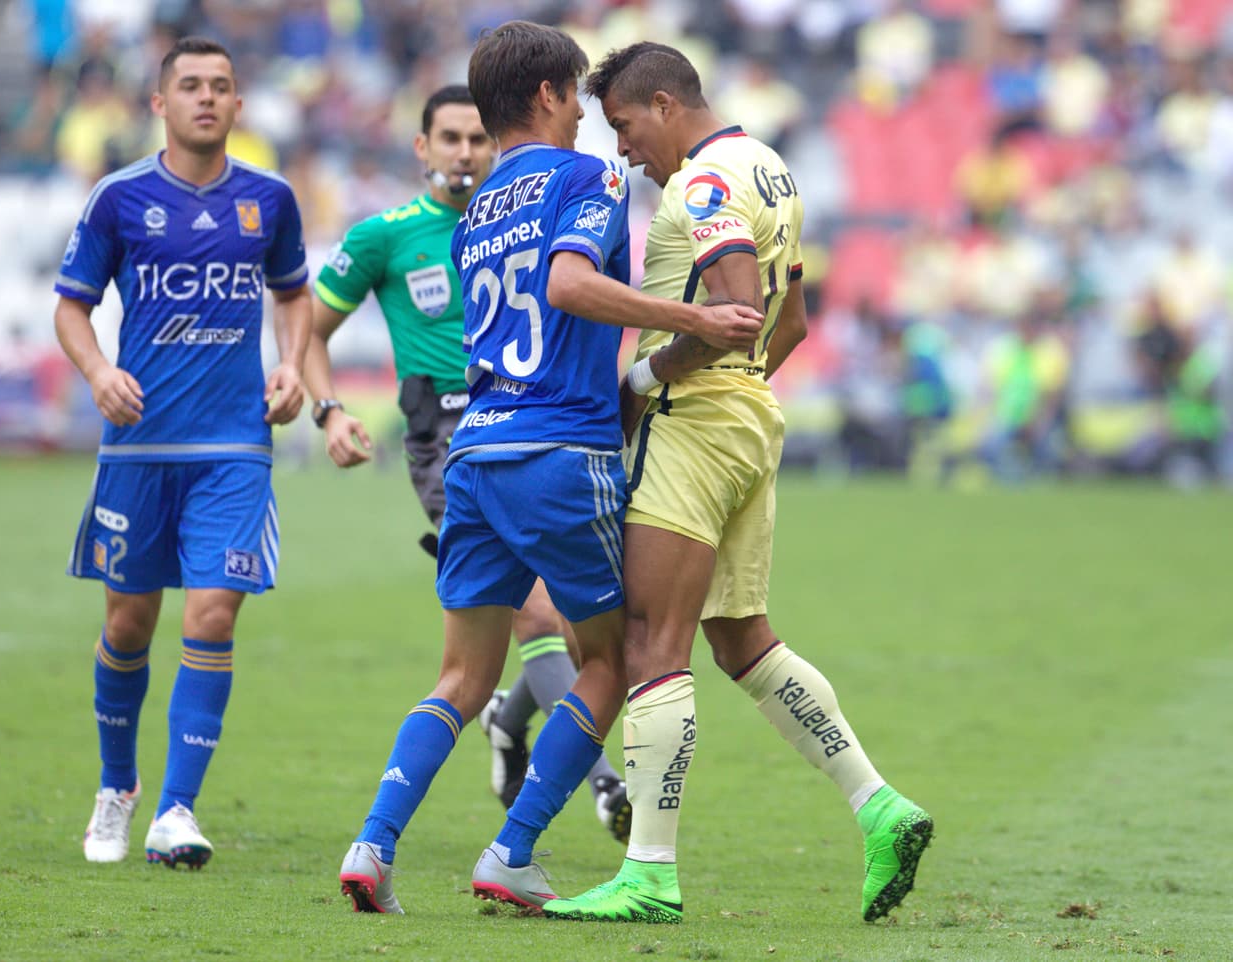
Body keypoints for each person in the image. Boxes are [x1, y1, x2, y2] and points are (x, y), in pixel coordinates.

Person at [334, 20, 763, 915]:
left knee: (461, 677)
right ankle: (510, 852)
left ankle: (372, 846)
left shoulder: (480, 205)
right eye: (577, 98)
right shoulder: (588, 177)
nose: (589, 120)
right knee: (609, 659)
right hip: (560, 450)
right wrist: (691, 320)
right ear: (547, 97)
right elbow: (569, 285)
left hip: (476, 452)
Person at [543, 42, 933, 925]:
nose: (625, 151)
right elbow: (787, 321)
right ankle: (879, 806)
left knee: (652, 641)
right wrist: (742, 386)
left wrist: (642, 384)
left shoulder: (702, 184)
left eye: (627, 127)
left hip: (693, 422)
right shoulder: (774, 170)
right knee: (740, 638)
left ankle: (648, 874)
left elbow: (737, 309)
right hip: (750, 420)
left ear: (667, 102)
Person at [302, 84, 631, 841]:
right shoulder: (385, 236)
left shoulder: (513, 215)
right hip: (448, 439)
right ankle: (603, 783)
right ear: (422, 148)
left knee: (567, 640)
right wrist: (329, 409)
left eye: (477, 139)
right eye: (449, 139)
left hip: (526, 425)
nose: (465, 152)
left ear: (497, 142)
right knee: (542, 615)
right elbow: (309, 332)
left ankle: (508, 723)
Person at [55, 36, 310, 868]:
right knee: (128, 625)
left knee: (212, 611)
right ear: (159, 104)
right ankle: (117, 787)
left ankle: (176, 810)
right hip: (138, 448)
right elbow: (71, 307)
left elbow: (295, 294)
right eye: (191, 86)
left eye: (222, 87)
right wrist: (97, 370)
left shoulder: (269, 200)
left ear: (239, 105)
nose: (208, 98)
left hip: (236, 446)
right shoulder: (118, 199)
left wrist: (293, 367)